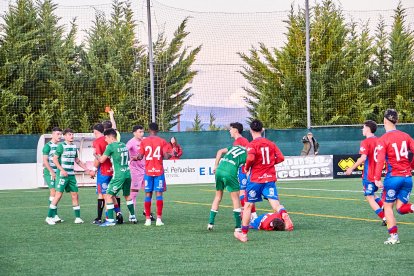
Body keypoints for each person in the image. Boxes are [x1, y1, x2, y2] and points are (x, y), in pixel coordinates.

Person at [234, 119, 293, 243]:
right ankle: (283, 214)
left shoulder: (252, 145)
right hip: (269, 178)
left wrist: (247, 167)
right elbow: (281, 158)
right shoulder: (271, 143)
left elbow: (250, 157)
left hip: (256, 179)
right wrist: (271, 163)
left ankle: (243, 234)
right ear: (262, 130)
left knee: (248, 205)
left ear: (250, 131)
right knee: (275, 203)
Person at [374, 109, 414, 245]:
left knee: (388, 207)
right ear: (396, 121)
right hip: (408, 177)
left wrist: (377, 178)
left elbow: (380, 161)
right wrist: (411, 166)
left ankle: (393, 237)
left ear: (384, 120)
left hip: (393, 178)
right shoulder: (406, 136)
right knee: (401, 208)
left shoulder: (383, 139)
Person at [45, 128, 90, 225]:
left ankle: (77, 218)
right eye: (69, 134)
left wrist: (86, 169)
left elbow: (77, 160)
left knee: (75, 195)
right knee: (58, 195)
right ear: (65, 136)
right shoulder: (61, 146)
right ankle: (49, 217)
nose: (72, 136)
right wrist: (61, 170)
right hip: (62, 175)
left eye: (72, 134)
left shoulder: (74, 147)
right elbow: (54, 159)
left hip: (71, 176)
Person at [345, 120, 386, 226]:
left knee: (369, 197)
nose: (362, 130)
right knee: (372, 194)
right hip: (377, 174)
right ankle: (385, 209)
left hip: (369, 175)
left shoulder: (366, 142)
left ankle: (385, 218)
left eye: (363, 127)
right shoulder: (379, 140)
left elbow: (363, 157)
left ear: (368, 128)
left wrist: (351, 168)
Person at [214, 122, 257, 219]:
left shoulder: (240, 141)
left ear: (235, 130)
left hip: (242, 170)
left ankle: (251, 215)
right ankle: (251, 214)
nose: (229, 131)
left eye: (231, 129)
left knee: (241, 194)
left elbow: (248, 155)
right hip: (243, 170)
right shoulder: (241, 140)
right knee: (242, 193)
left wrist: (217, 166)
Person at [97, 128, 137, 226]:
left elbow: (102, 160)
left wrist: (96, 155)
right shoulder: (123, 145)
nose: (105, 140)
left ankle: (110, 220)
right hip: (127, 173)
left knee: (108, 195)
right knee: (127, 195)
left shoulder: (110, 146)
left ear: (110, 137)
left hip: (118, 175)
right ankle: (132, 216)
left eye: (106, 138)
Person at [137, 122, 172, 226]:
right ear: (157, 130)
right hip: (158, 171)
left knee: (148, 194)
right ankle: (158, 220)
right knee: (159, 194)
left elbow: (140, 156)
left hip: (148, 171)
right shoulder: (162, 141)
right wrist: (171, 154)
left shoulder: (144, 141)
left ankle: (147, 219)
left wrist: (136, 157)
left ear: (148, 130)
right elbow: (166, 156)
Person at [208, 145, 246, 232]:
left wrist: (215, 165)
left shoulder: (235, 147)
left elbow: (220, 151)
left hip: (219, 170)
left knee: (218, 197)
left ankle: (210, 223)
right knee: (235, 198)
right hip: (230, 172)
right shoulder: (248, 153)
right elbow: (248, 166)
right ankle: (238, 226)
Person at [126, 125, 155, 222]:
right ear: (134, 133)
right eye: (139, 132)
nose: (142, 133)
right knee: (134, 193)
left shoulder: (146, 140)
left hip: (146, 170)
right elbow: (124, 151)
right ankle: (131, 214)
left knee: (148, 191)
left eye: (142, 132)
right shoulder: (131, 142)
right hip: (135, 171)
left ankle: (146, 211)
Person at [101, 109, 123, 223]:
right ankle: (118, 212)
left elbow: (101, 158)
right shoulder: (117, 135)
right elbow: (114, 126)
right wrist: (111, 115)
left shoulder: (106, 140)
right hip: (119, 166)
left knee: (106, 193)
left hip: (109, 166)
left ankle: (108, 217)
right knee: (115, 193)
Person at [89, 123, 113, 224]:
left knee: (103, 195)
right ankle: (115, 214)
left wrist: (93, 169)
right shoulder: (109, 139)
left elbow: (98, 158)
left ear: (95, 132)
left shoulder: (97, 142)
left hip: (103, 171)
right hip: (112, 170)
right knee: (111, 195)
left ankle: (107, 218)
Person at [42, 127, 63, 223]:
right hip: (49, 172)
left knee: (58, 194)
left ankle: (54, 215)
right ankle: (51, 216)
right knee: (53, 192)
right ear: (52, 135)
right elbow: (45, 161)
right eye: (58, 134)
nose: (60, 136)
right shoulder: (47, 146)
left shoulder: (59, 146)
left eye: (60, 134)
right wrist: (51, 171)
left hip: (57, 172)